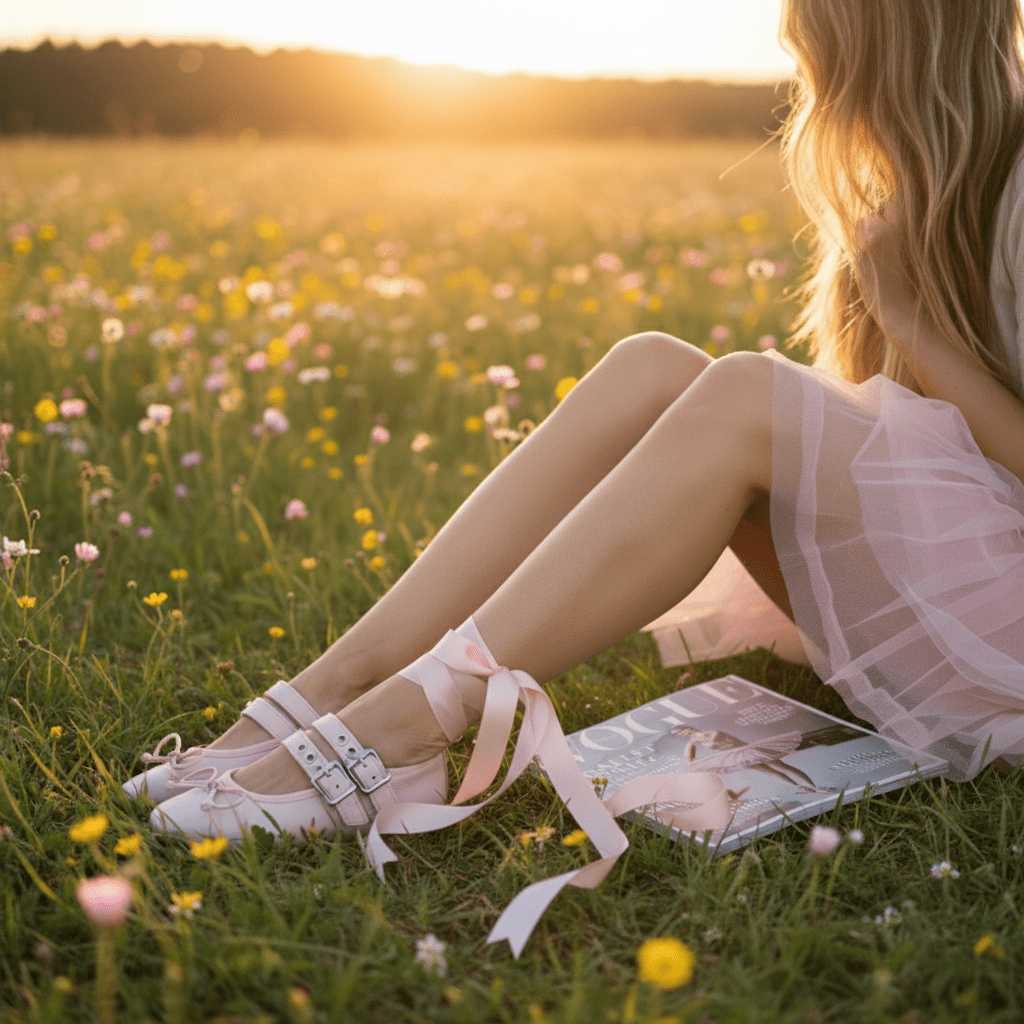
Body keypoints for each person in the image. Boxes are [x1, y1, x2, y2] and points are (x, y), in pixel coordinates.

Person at [125, 0, 1024, 943]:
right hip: (982, 580)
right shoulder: (922, 177)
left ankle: (408, 726)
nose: (793, 44)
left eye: (811, 27)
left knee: (751, 395)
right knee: (655, 366)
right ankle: (342, 685)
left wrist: (914, 322)